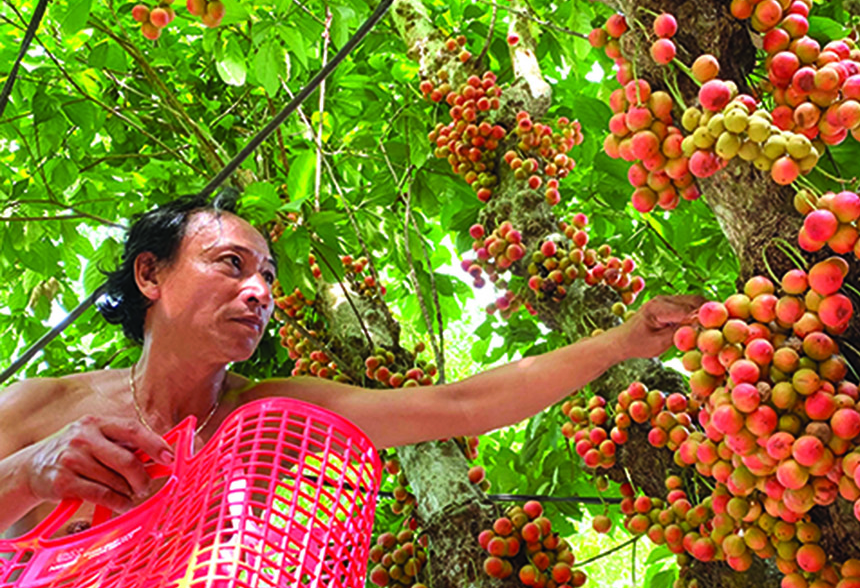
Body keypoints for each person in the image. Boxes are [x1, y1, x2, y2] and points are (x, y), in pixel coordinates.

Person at [0, 194, 703, 537]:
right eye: (231, 265)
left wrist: (619, 342)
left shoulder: (267, 414)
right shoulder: (37, 406)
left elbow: (457, 408)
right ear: (149, 276)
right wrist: (27, 473)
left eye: (269, 277)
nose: (259, 291)